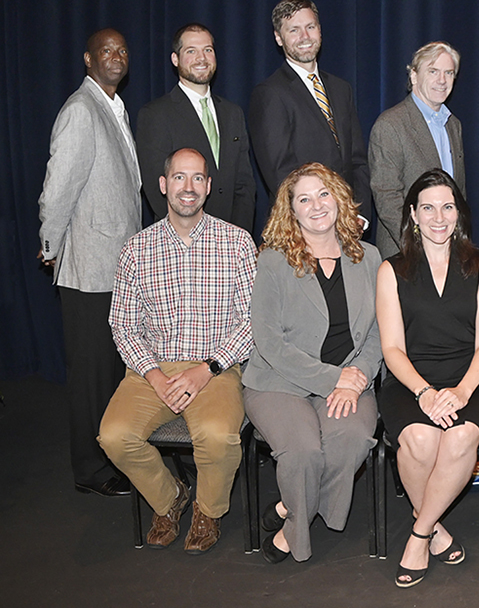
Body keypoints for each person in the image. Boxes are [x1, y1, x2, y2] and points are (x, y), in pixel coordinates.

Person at [99, 148, 257, 554]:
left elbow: (253, 321)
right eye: (180, 178)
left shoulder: (237, 243)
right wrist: (154, 375)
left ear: (208, 187)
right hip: (151, 368)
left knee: (219, 436)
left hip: (217, 367)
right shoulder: (136, 249)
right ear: (163, 185)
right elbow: (123, 324)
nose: (189, 187)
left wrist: (206, 369)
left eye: (198, 178)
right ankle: (171, 498)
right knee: (114, 437)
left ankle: (208, 510)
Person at [242, 164, 382, 563]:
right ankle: (295, 533)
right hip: (278, 381)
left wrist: (359, 377)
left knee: (350, 440)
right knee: (303, 453)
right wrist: (335, 378)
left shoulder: (368, 258)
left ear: (338, 198)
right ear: (292, 212)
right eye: (304, 199)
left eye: (323, 194)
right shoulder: (273, 261)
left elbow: (379, 334)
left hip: (351, 377)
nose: (316, 205)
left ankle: (289, 510)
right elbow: (268, 341)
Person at [377, 170, 479, 587]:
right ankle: (435, 528)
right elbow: (392, 348)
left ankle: (418, 534)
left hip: (472, 380)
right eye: (427, 207)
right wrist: (425, 393)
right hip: (411, 381)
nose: (438, 217)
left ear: (459, 214)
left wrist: (462, 391)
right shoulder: (390, 270)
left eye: (447, 207)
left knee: (461, 438)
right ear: (412, 214)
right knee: (419, 439)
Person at [38, 28, 141, 497]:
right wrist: (50, 247)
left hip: (113, 267)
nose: (116, 57)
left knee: (110, 369)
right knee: (90, 373)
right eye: (106, 51)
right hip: (88, 270)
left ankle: (112, 454)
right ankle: (91, 470)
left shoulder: (112, 106)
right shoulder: (81, 110)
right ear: (87, 59)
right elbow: (58, 190)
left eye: (122, 50)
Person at [250, 0, 371, 223]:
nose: (305, 37)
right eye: (294, 30)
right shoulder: (269, 93)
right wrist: (317, 218)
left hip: (348, 224)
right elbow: (280, 174)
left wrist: (359, 214)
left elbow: (357, 161)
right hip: (300, 228)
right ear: (278, 38)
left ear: (320, 30)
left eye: (310, 27)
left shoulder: (341, 88)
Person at [137, 23, 256, 233]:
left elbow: (244, 185)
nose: (202, 58)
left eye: (207, 50)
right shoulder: (155, 114)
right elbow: (157, 189)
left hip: (230, 242)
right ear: (175, 59)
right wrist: (193, 238)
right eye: (191, 51)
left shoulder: (232, 113)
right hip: (180, 242)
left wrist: (237, 235)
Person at [369, 42, 466, 258]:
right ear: (414, 76)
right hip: (406, 252)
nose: (442, 80)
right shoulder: (391, 124)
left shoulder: (453, 125)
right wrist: (419, 245)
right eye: (433, 72)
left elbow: (458, 193)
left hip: (449, 249)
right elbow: (386, 197)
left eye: (448, 73)